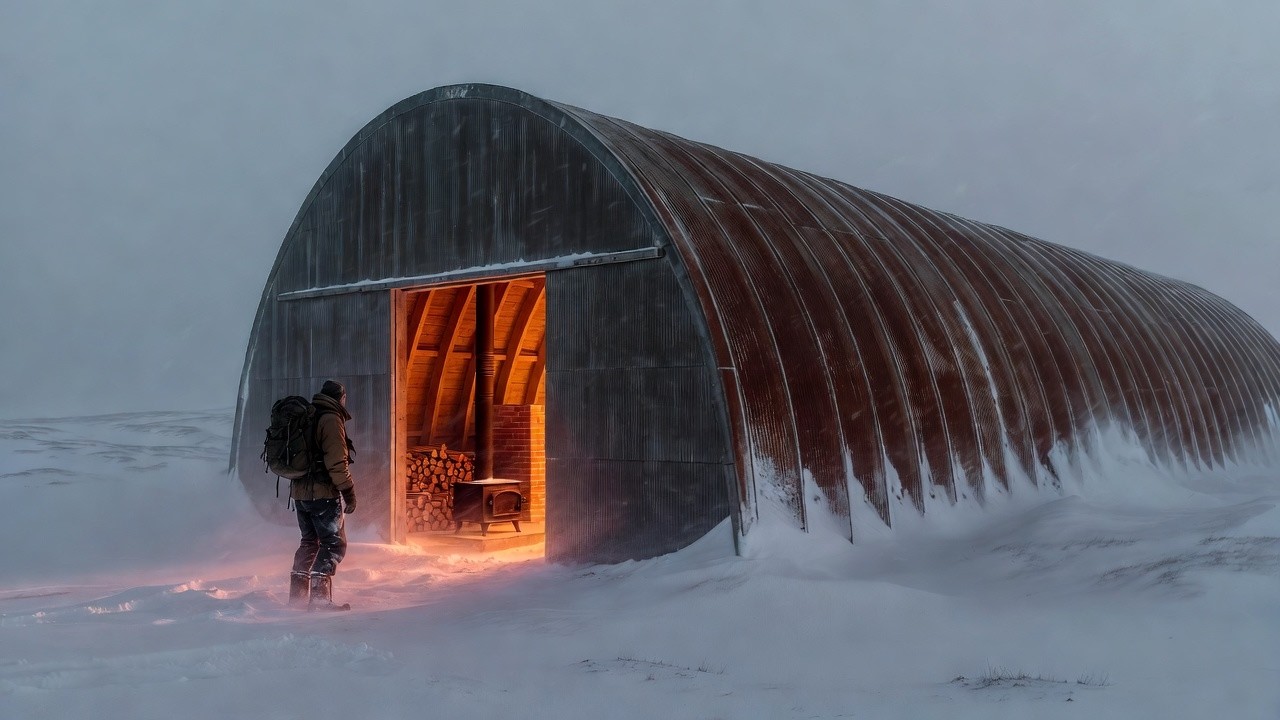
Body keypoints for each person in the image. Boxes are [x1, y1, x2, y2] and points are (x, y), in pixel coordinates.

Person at [289, 379, 357, 610]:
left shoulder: (308, 416)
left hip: (299, 494)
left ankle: (297, 597)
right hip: (322, 494)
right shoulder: (330, 419)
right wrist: (348, 492)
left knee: (309, 542)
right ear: (341, 398)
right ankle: (319, 601)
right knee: (332, 544)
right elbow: (337, 461)